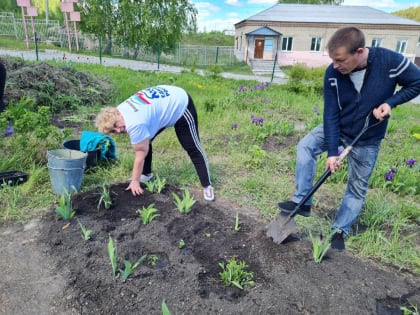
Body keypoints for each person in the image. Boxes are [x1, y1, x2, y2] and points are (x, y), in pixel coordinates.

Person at [277, 26, 420, 251]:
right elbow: (330, 113)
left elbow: (417, 82)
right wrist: (333, 152)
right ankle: (302, 201)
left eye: (341, 60)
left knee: (357, 187)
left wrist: (390, 102)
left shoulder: (389, 62)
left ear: (360, 52)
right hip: (340, 128)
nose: (335, 65)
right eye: (333, 60)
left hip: (368, 136)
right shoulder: (333, 74)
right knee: (306, 146)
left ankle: (339, 231)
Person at [95, 85, 214, 201]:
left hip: (179, 104)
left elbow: (140, 154)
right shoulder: (118, 112)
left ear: (117, 114)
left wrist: (135, 181)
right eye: (112, 131)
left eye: (116, 125)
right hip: (162, 104)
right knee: (145, 140)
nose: (118, 130)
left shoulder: (134, 123)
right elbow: (142, 141)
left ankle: (207, 185)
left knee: (192, 147)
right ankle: (146, 175)